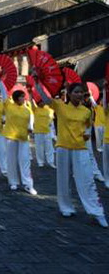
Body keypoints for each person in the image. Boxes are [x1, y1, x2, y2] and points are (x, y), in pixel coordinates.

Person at [35, 79, 107, 227]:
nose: (79, 95)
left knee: (87, 179)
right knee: (63, 179)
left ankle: (96, 211)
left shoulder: (86, 111)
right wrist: (37, 82)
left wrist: (87, 135)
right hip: (63, 147)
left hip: (80, 148)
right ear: (69, 94)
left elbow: (88, 126)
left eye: (81, 92)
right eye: (76, 92)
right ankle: (65, 207)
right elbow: (45, 98)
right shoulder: (60, 106)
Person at [0, 82, 37, 195]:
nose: (23, 99)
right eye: (21, 97)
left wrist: (30, 128)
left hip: (24, 138)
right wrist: (1, 81)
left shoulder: (26, 110)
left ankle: (28, 184)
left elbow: (29, 123)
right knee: (11, 160)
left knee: (25, 161)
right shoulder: (9, 106)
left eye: (23, 97)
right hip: (11, 137)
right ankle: (13, 182)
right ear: (16, 98)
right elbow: (4, 94)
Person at [30, 97, 56, 168]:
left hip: (47, 131)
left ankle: (51, 162)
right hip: (38, 132)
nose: (42, 103)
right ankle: (40, 162)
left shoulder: (48, 109)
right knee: (39, 148)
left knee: (49, 148)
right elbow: (31, 102)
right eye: (40, 102)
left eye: (42, 102)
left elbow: (51, 117)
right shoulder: (35, 109)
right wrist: (31, 95)